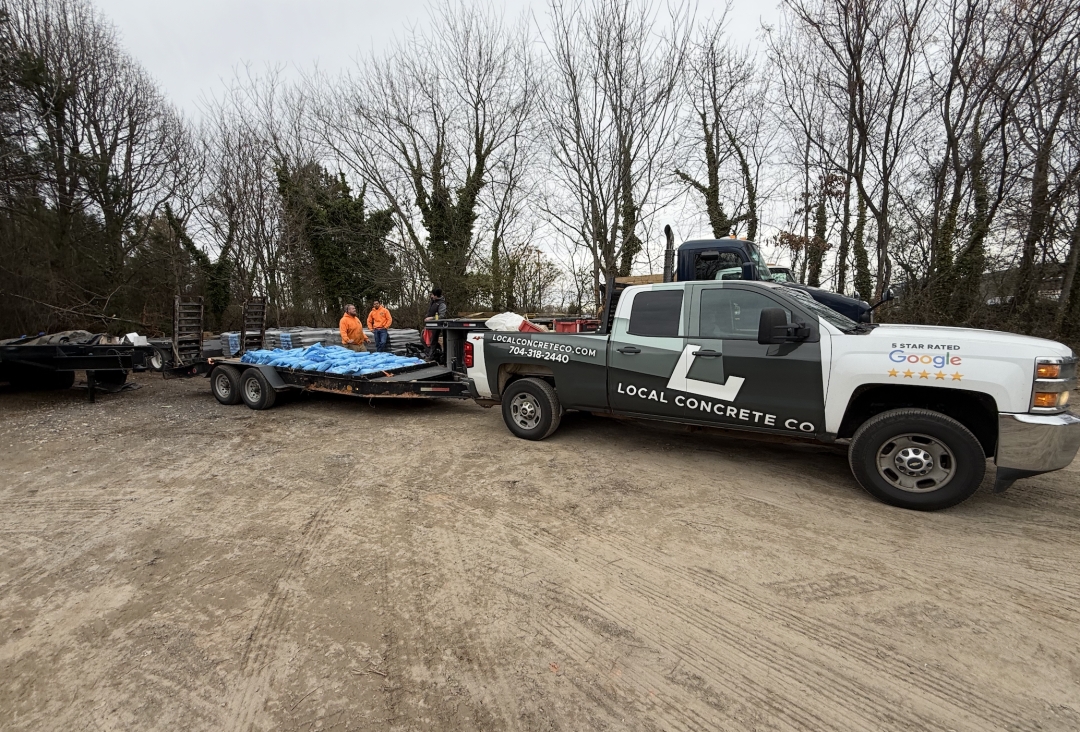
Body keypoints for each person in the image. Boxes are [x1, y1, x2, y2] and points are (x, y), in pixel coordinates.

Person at [423, 288, 447, 357]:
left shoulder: (442, 304)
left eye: (432, 294)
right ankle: (434, 352)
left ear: (436, 295)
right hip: (429, 325)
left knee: (433, 341)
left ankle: (431, 356)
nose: (431, 296)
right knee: (423, 338)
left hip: (436, 325)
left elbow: (441, 316)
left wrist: (431, 318)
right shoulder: (433, 302)